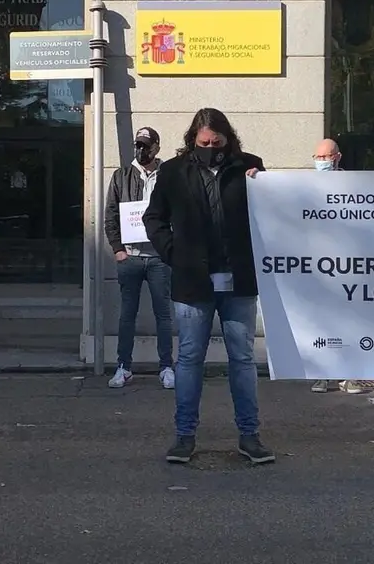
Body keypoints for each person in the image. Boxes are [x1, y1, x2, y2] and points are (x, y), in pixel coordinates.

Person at [142, 107, 274, 465]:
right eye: (204, 142)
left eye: (217, 141)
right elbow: (153, 218)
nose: (211, 147)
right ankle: (184, 436)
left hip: (238, 280)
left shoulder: (249, 166)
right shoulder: (173, 171)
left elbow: (272, 212)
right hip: (192, 282)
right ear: (193, 140)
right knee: (189, 358)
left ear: (228, 139)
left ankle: (250, 436)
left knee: (243, 359)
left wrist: (260, 183)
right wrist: (173, 253)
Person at [103, 126, 175, 389]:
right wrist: (117, 249)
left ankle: (167, 367)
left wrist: (171, 248)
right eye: (138, 145)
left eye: (146, 145)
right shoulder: (122, 176)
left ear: (157, 147)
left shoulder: (168, 174)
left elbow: (178, 211)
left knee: (163, 314)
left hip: (159, 258)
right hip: (130, 257)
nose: (141, 150)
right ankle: (124, 367)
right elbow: (110, 214)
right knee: (127, 315)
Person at [309, 139, 362, 396]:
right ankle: (322, 375)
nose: (321, 162)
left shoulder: (353, 186)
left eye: (326, 157)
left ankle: (349, 373)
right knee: (322, 322)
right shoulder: (304, 187)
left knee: (349, 321)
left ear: (337, 157)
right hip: (319, 267)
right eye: (317, 157)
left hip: (348, 265)